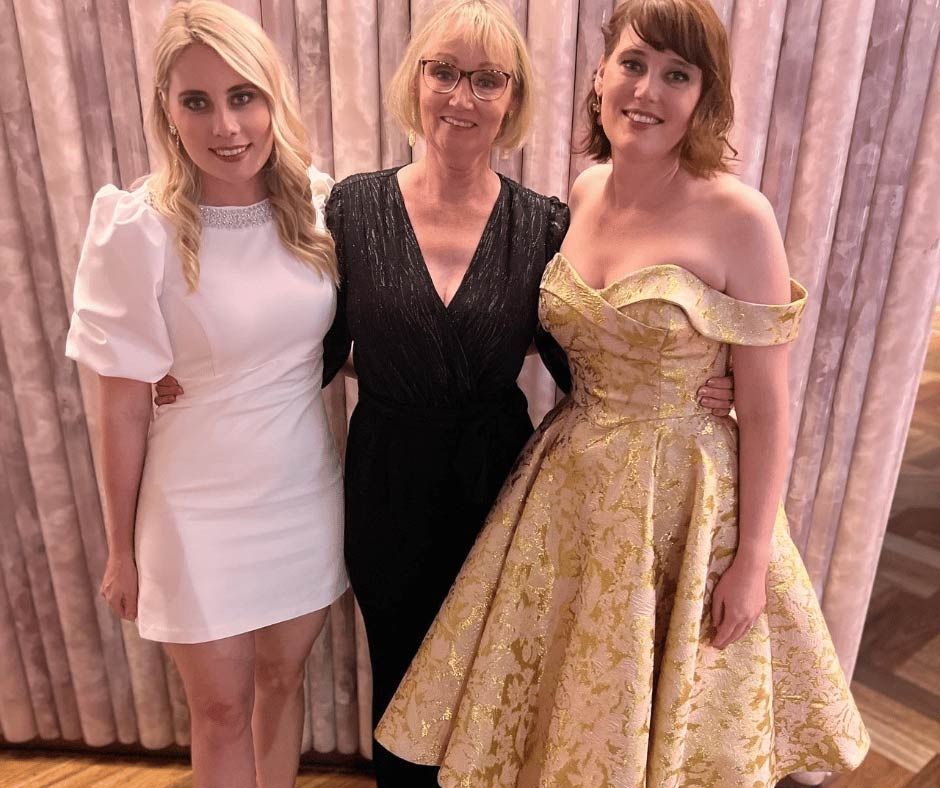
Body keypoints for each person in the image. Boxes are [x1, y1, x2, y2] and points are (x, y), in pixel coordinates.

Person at [156, 2, 733, 785]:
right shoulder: (353, 208)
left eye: (487, 80)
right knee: (401, 681)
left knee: (493, 689)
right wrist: (193, 366)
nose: (462, 97)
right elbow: (307, 344)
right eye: (445, 73)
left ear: (512, 98)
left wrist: (690, 379)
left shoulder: (545, 223)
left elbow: (586, 358)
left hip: (504, 489)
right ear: (416, 81)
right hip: (386, 481)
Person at [375, 1, 870, 785]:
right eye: (634, 64)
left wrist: (749, 561)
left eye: (677, 75)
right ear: (600, 75)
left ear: (703, 97)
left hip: (683, 499)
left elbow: (770, 406)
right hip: (569, 488)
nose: (648, 90)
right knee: (568, 718)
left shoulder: (740, 214)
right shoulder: (585, 191)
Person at [65, 3, 347, 787]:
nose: (226, 125)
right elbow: (118, 403)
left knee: (281, 685)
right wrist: (121, 548)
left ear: (273, 99)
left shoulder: (321, 208)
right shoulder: (138, 227)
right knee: (220, 713)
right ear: (167, 110)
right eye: (197, 101)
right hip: (195, 507)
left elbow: (364, 335)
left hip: (301, 493)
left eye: (243, 96)